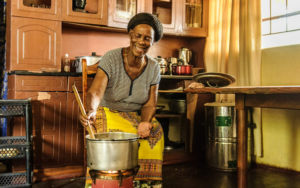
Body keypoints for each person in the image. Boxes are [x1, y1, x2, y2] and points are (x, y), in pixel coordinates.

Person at [79, 12, 164, 188]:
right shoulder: (111, 58)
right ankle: (105, 183)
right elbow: (95, 91)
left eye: (148, 38)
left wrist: (145, 121)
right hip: (107, 110)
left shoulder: (154, 67)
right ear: (130, 34)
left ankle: (144, 183)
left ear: (153, 42)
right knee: (105, 136)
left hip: (134, 114)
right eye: (138, 36)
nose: (142, 41)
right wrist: (92, 111)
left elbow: (150, 103)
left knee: (155, 132)